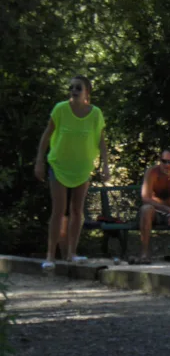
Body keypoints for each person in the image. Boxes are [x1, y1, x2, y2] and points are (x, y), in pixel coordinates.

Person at [33, 75, 109, 270]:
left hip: (82, 167)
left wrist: (105, 165)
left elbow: (101, 141)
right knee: (59, 210)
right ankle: (50, 255)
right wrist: (40, 161)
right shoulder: (60, 109)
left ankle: (71, 253)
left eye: (78, 87)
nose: (73, 90)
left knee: (77, 210)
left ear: (87, 92)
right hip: (59, 165)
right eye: (71, 87)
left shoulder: (95, 113)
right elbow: (46, 135)